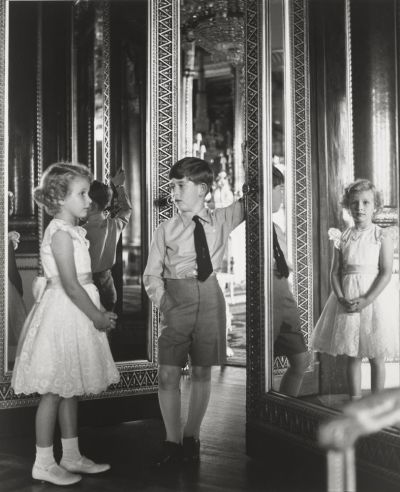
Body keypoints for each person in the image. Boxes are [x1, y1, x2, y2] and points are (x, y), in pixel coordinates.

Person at [11, 162, 120, 486]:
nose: (89, 200)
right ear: (60, 198)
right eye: (82, 194)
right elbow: (71, 285)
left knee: (70, 387)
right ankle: (43, 462)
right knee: (54, 392)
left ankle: (71, 455)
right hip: (66, 313)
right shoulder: (59, 234)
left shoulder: (74, 231)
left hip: (77, 312)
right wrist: (97, 316)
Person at [143, 157, 245, 466]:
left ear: (202, 190)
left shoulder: (222, 219)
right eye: (172, 186)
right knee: (168, 373)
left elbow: (252, 197)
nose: (173, 192)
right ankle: (171, 440)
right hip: (176, 299)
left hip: (211, 298)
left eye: (180, 186)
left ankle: (192, 436)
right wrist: (166, 303)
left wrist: (250, 156)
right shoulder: (166, 229)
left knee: (203, 369)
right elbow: (151, 275)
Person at [312, 179, 398, 400]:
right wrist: (340, 297)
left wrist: (367, 299)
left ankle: (376, 403)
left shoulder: (382, 235)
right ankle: (355, 400)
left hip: (373, 299)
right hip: (347, 299)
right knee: (353, 354)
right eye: (354, 203)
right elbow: (335, 272)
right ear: (347, 206)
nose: (360, 207)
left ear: (375, 206)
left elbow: (386, 272)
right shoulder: (343, 237)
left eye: (366, 203)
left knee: (376, 355)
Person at [272, 166, 309, 396]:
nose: (283, 195)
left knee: (301, 360)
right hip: (270, 301)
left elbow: (284, 263)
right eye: (280, 189)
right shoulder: (255, 230)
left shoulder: (276, 228)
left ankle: (285, 406)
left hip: (284, 300)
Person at [83, 168, 132, 311]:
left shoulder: (81, 231)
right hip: (108, 287)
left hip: (89, 287)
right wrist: (119, 186)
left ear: (91, 206)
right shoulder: (114, 224)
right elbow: (127, 209)